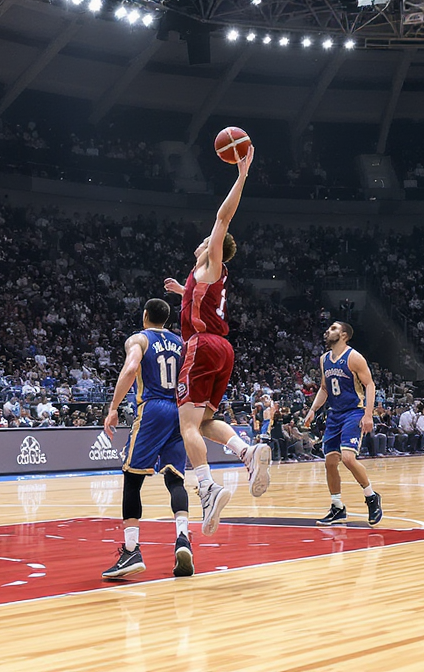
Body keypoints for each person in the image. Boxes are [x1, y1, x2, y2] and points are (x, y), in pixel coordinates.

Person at [161, 145, 270, 535]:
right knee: (206, 420)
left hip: (202, 346)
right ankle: (246, 451)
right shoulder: (201, 277)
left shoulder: (212, 261)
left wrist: (241, 175)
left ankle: (206, 486)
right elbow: (201, 301)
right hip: (223, 349)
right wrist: (181, 293)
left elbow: (223, 216)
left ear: (215, 248)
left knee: (186, 422)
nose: (204, 239)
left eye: (209, 239)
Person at [100, 299, 195, 579]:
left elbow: (130, 370)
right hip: (179, 409)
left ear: (145, 316)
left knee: (132, 478)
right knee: (175, 479)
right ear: (166, 319)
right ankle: (183, 540)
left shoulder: (139, 339)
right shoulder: (182, 342)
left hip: (153, 408)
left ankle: (131, 551)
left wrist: (113, 408)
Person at [301, 321, 383, 525]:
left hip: (353, 412)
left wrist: (368, 414)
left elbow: (370, 385)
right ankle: (337, 507)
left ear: (344, 335)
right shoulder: (324, 360)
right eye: (329, 328)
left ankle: (371, 497)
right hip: (334, 414)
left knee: (347, 458)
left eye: (334, 328)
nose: (328, 331)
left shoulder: (354, 357)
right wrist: (313, 410)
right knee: (330, 462)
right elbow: (324, 388)